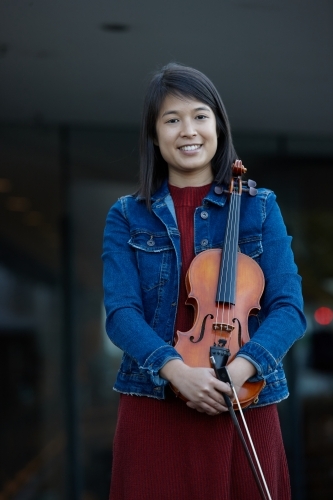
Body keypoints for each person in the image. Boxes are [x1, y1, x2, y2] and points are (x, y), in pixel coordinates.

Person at [102, 63, 306, 500]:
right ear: (155, 137)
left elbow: (288, 308)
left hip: (244, 398)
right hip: (154, 404)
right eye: (171, 120)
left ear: (218, 125)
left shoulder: (261, 206)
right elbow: (121, 314)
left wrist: (238, 370)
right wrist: (177, 372)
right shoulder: (126, 214)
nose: (188, 130)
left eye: (199, 116)